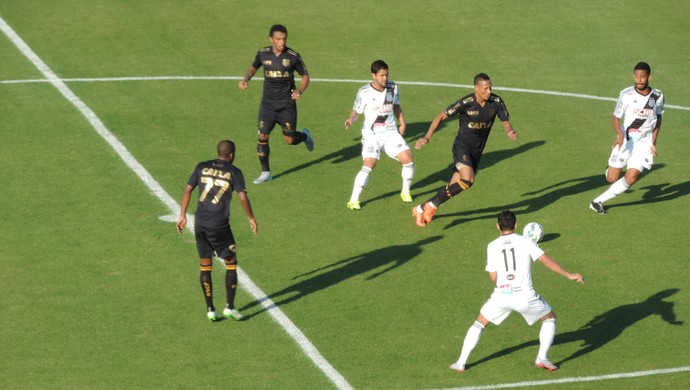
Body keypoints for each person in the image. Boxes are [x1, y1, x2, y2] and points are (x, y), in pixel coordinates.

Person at [449, 210, 584, 372]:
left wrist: (506, 287)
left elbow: (493, 275)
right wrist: (569, 274)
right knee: (549, 318)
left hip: (501, 295)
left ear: (498, 226)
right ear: (516, 225)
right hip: (525, 296)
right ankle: (542, 357)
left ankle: (460, 362)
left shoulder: (492, 246)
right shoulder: (526, 242)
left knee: (479, 323)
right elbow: (545, 260)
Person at [412, 73, 518, 227]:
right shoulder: (466, 102)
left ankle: (421, 208)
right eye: (485, 88)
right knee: (468, 180)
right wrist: (426, 136)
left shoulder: (496, 102)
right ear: (476, 88)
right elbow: (441, 116)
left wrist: (509, 130)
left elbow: (506, 121)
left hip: (477, 152)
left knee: (455, 185)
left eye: (490, 88)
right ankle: (431, 206)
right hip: (462, 147)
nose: (489, 91)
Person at [177, 140, 258, 322]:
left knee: (205, 263)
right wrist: (251, 218)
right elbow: (242, 196)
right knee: (230, 261)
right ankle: (230, 306)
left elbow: (188, 189)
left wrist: (182, 215)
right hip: (219, 224)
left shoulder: (202, 166)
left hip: (200, 222)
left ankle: (210, 309)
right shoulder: (234, 172)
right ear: (231, 154)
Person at [238, 24, 314, 184]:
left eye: (284, 39)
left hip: (286, 104)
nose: (282, 42)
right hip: (267, 104)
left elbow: (305, 76)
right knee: (262, 136)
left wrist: (300, 90)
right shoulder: (263, 53)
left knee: (290, 140)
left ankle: (305, 136)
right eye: (278, 39)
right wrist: (245, 80)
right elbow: (253, 68)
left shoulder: (293, 56)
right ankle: (265, 172)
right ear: (271, 39)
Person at [590, 62, 664, 214]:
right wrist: (620, 135)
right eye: (636, 76)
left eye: (642, 77)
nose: (639, 80)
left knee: (632, 177)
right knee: (611, 178)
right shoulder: (626, 94)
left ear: (649, 77)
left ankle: (597, 202)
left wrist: (654, 141)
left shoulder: (657, 96)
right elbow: (615, 118)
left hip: (644, 142)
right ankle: (610, 169)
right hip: (626, 139)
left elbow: (658, 118)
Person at [343, 60, 414, 210]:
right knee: (369, 164)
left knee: (408, 158)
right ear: (373, 75)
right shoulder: (364, 92)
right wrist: (351, 119)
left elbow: (396, 106)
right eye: (382, 75)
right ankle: (353, 200)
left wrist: (403, 122)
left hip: (390, 133)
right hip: (371, 135)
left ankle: (405, 191)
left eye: (386, 75)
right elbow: (356, 111)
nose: (385, 78)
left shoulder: (392, 87)